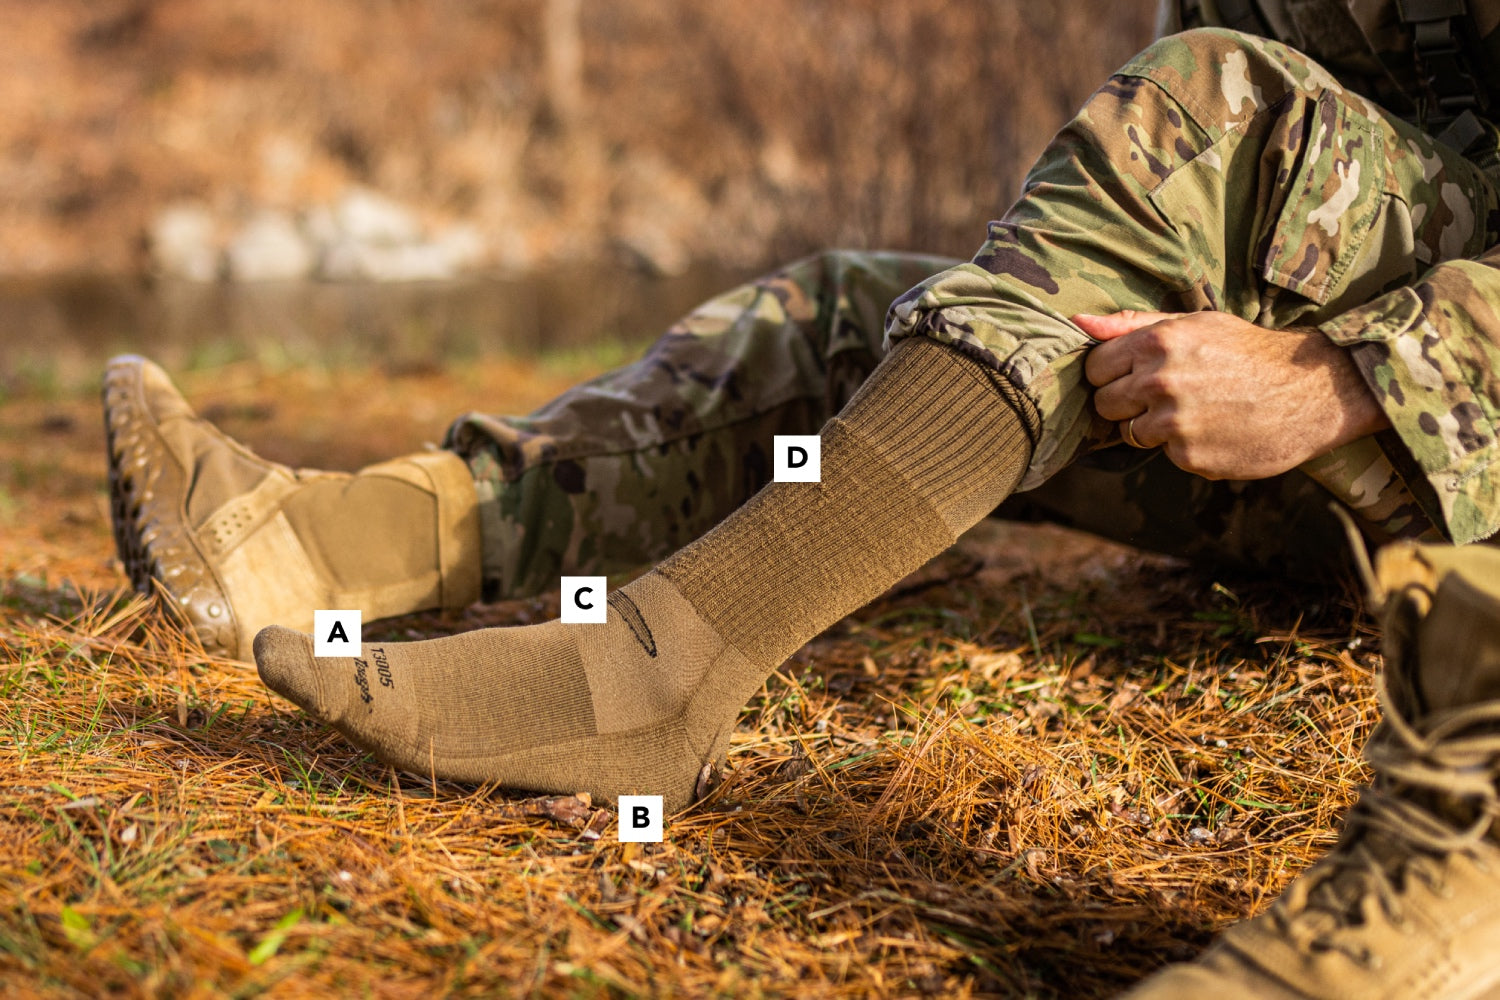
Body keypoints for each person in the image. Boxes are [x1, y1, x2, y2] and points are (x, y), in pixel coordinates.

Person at [102, 0, 1500, 992]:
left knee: (1205, 106)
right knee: (858, 321)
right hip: (1364, 476)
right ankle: (314, 545)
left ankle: (660, 670)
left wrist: (1347, 380)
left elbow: (1260, 153)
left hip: (1445, 451)